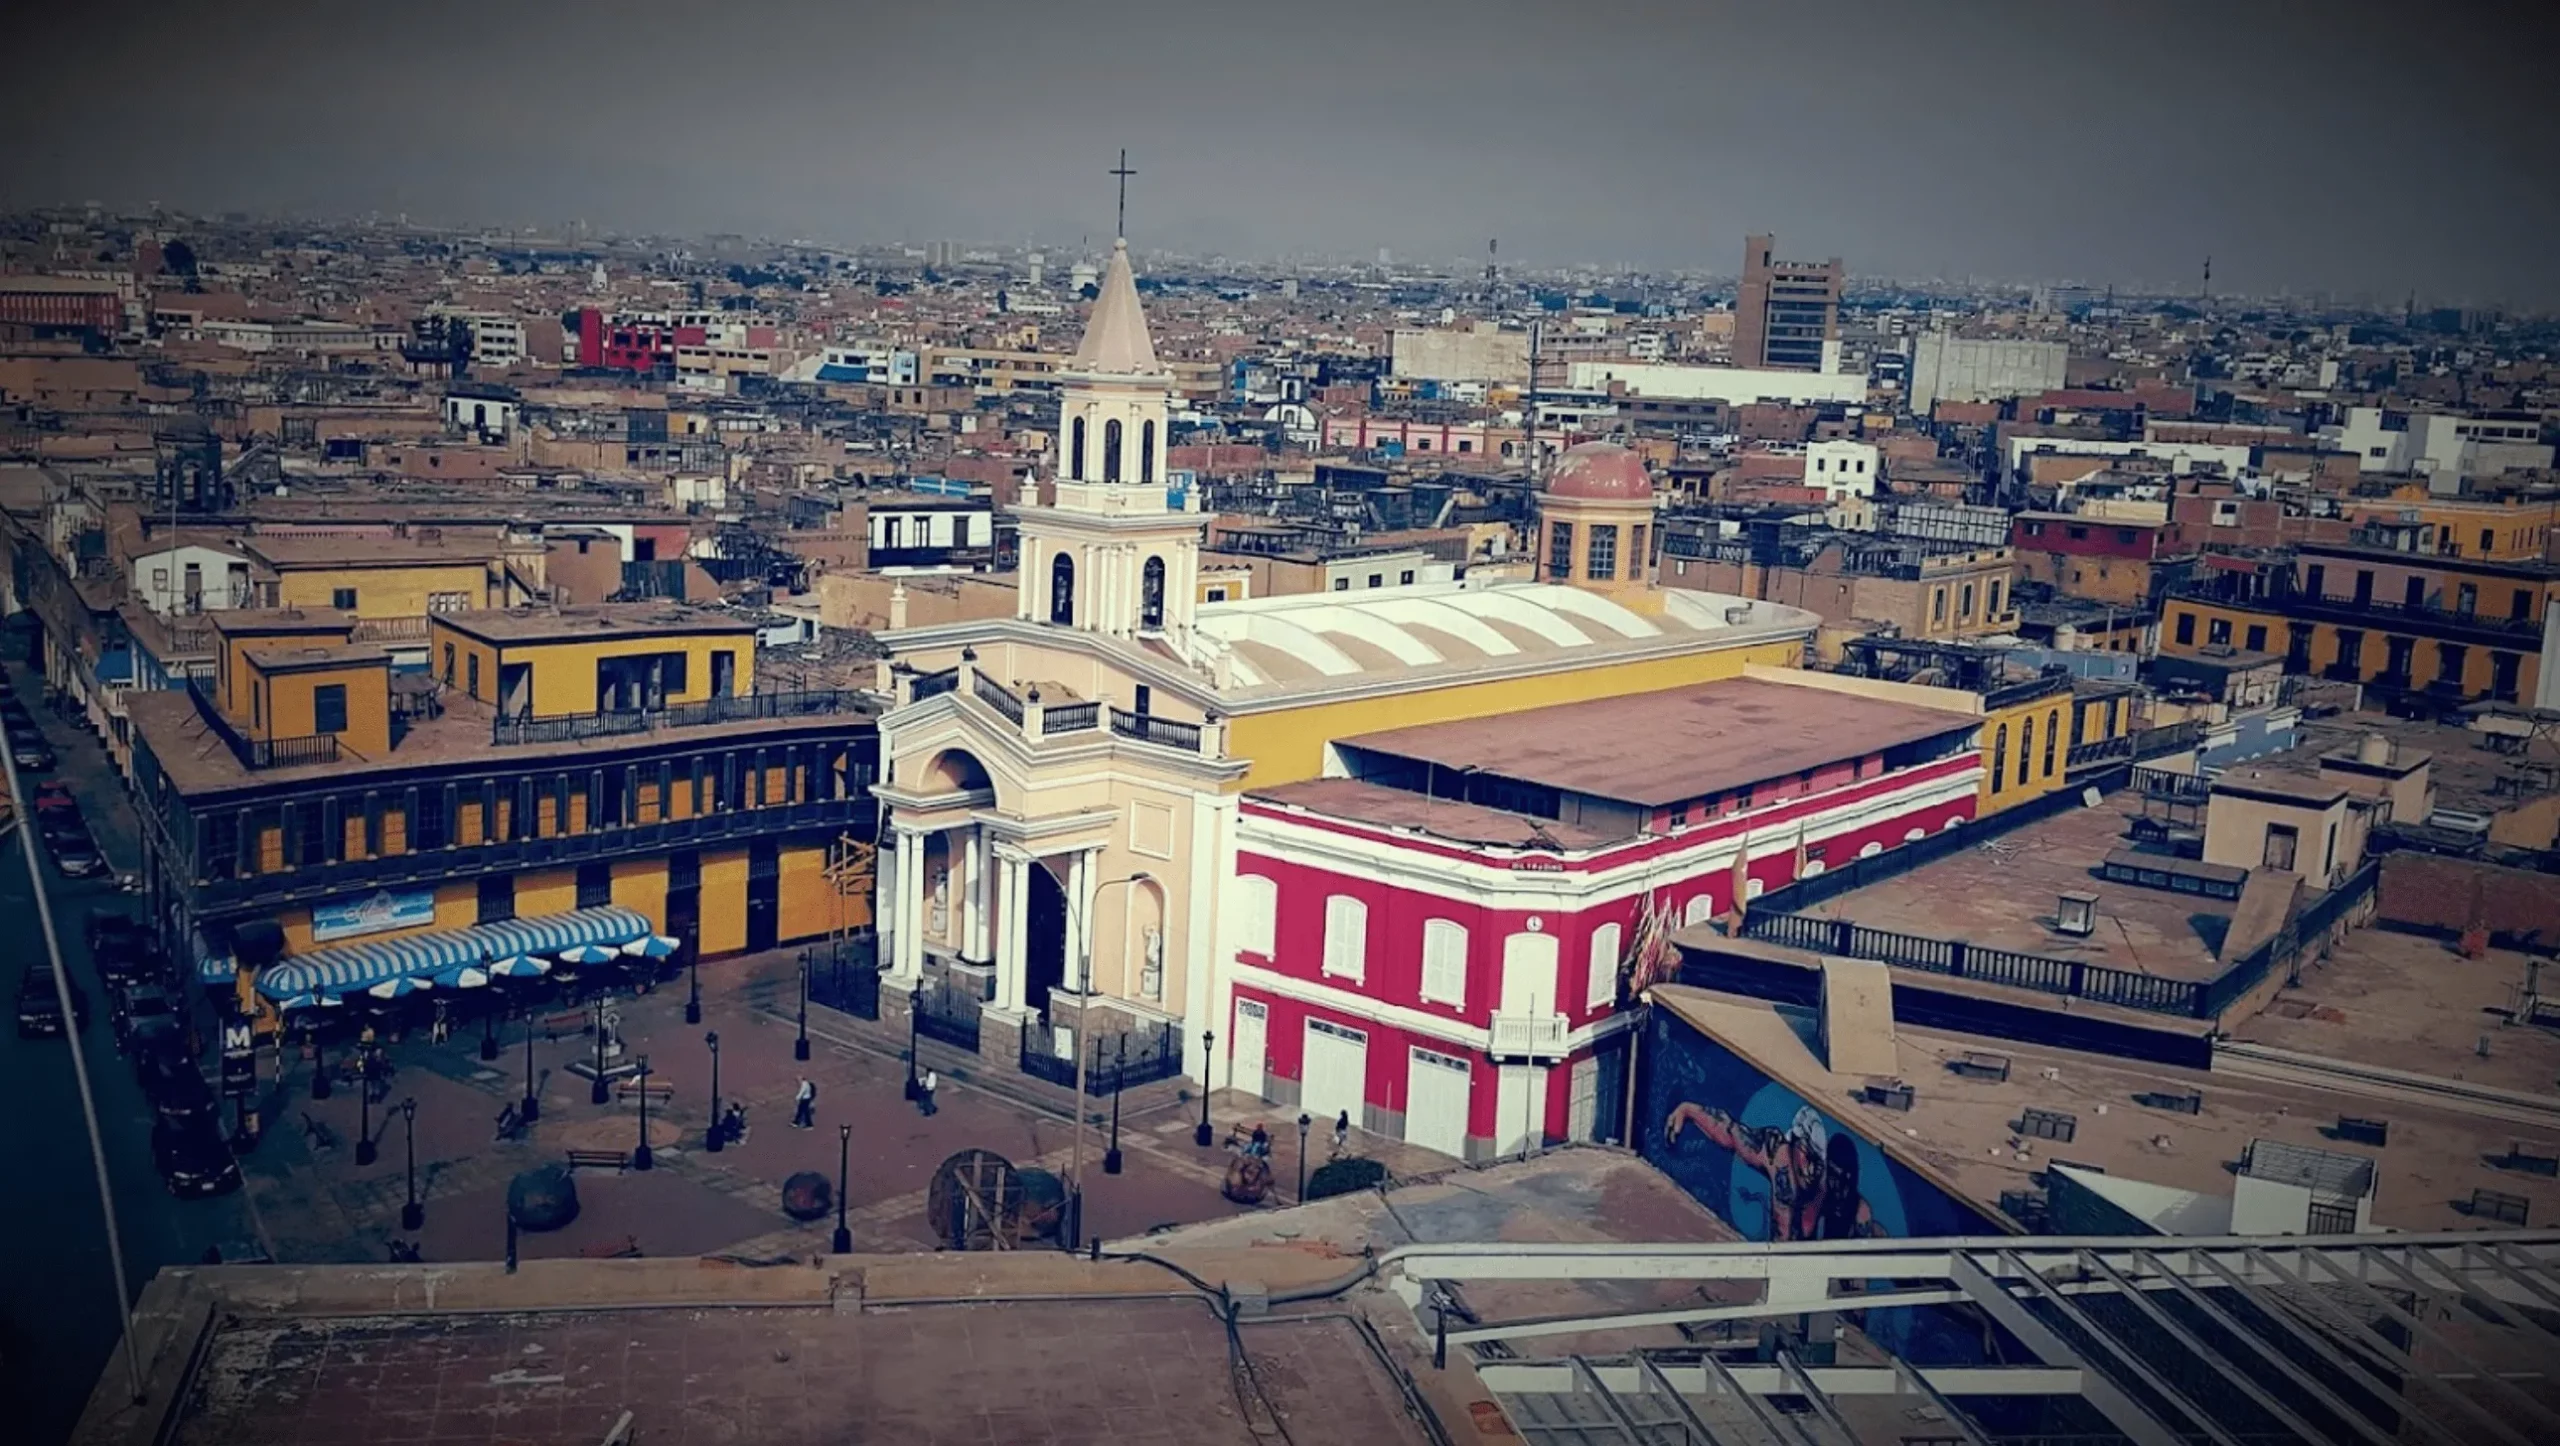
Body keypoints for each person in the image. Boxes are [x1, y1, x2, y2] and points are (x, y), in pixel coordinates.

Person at [1662, 1100, 1879, 1242]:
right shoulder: (1776, 1153)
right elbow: (1729, 1132)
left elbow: (1859, 1214)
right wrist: (1688, 1110)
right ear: (1793, 1144)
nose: (1811, 1169)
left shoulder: (1827, 1185)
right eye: (1807, 1156)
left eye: (1818, 1162)